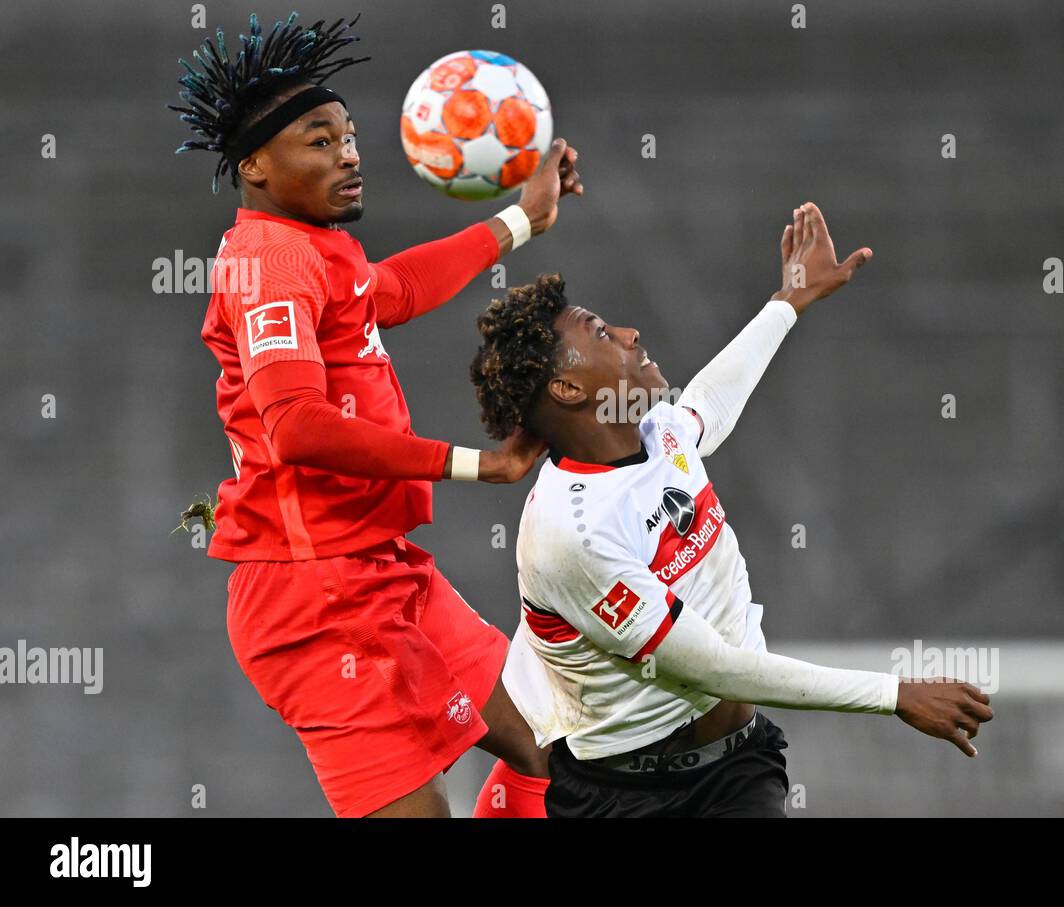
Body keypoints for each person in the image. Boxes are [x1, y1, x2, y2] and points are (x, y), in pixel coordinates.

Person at [172, 12, 580, 817]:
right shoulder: (271, 262)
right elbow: (294, 424)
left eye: (349, 137)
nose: (351, 154)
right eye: (320, 141)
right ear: (254, 163)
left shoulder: (311, 247)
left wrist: (521, 220)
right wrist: (477, 463)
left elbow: (388, 292)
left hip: (378, 568)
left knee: (551, 746)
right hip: (311, 601)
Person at [469, 202, 994, 817]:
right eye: (603, 334)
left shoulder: (652, 429)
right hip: (625, 799)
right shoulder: (569, 532)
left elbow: (704, 410)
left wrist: (789, 301)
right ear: (567, 389)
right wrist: (893, 694)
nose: (631, 333)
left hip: (738, 769)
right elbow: (713, 668)